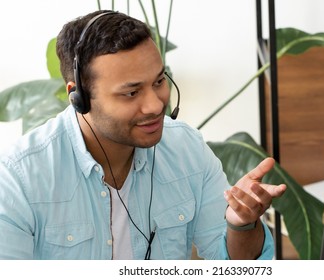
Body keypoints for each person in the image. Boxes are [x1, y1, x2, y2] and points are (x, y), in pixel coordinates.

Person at [0, 10, 286, 260]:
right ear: (79, 97)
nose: (155, 104)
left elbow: (235, 265)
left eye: (159, 81)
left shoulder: (186, 148)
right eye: (131, 92)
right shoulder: (19, 177)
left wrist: (242, 224)